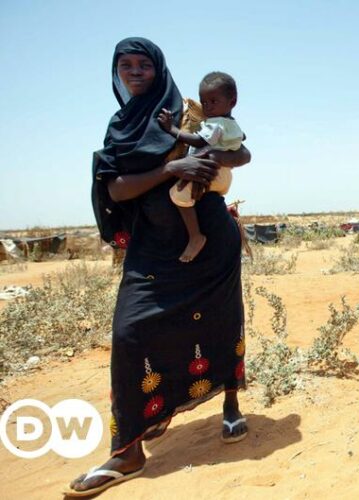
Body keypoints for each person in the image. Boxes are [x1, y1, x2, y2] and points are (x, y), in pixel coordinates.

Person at [68, 38, 252, 497]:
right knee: (132, 334)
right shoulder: (119, 125)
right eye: (125, 65)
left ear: (159, 69)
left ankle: (229, 405)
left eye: (143, 64)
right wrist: (172, 169)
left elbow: (241, 153)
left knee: (221, 322)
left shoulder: (185, 111)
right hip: (151, 249)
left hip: (209, 243)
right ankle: (127, 450)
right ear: (115, 73)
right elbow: (116, 190)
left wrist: (210, 159)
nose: (134, 72)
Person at [157, 71, 244, 263]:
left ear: (232, 102)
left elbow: (198, 141)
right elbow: (240, 142)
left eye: (214, 102)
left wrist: (172, 130)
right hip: (223, 176)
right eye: (204, 103)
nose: (208, 107)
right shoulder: (232, 124)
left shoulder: (215, 124)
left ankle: (195, 236)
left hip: (210, 172)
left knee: (177, 195)